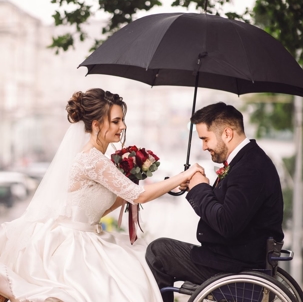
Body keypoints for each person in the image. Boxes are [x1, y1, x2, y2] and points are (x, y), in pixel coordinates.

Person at [0, 88, 204, 302]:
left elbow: (102, 208)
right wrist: (184, 175)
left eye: (122, 120)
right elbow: (139, 196)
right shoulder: (92, 159)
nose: (123, 126)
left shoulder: (98, 158)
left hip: (89, 234)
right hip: (75, 243)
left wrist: (129, 184)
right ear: (96, 124)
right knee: (129, 286)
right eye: (116, 121)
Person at [145, 102, 284, 302]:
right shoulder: (247, 161)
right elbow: (232, 209)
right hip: (229, 258)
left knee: (158, 251)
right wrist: (200, 187)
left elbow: (226, 223)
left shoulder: (250, 167)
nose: (203, 146)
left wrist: (200, 189)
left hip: (234, 266)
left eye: (205, 139)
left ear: (227, 133)